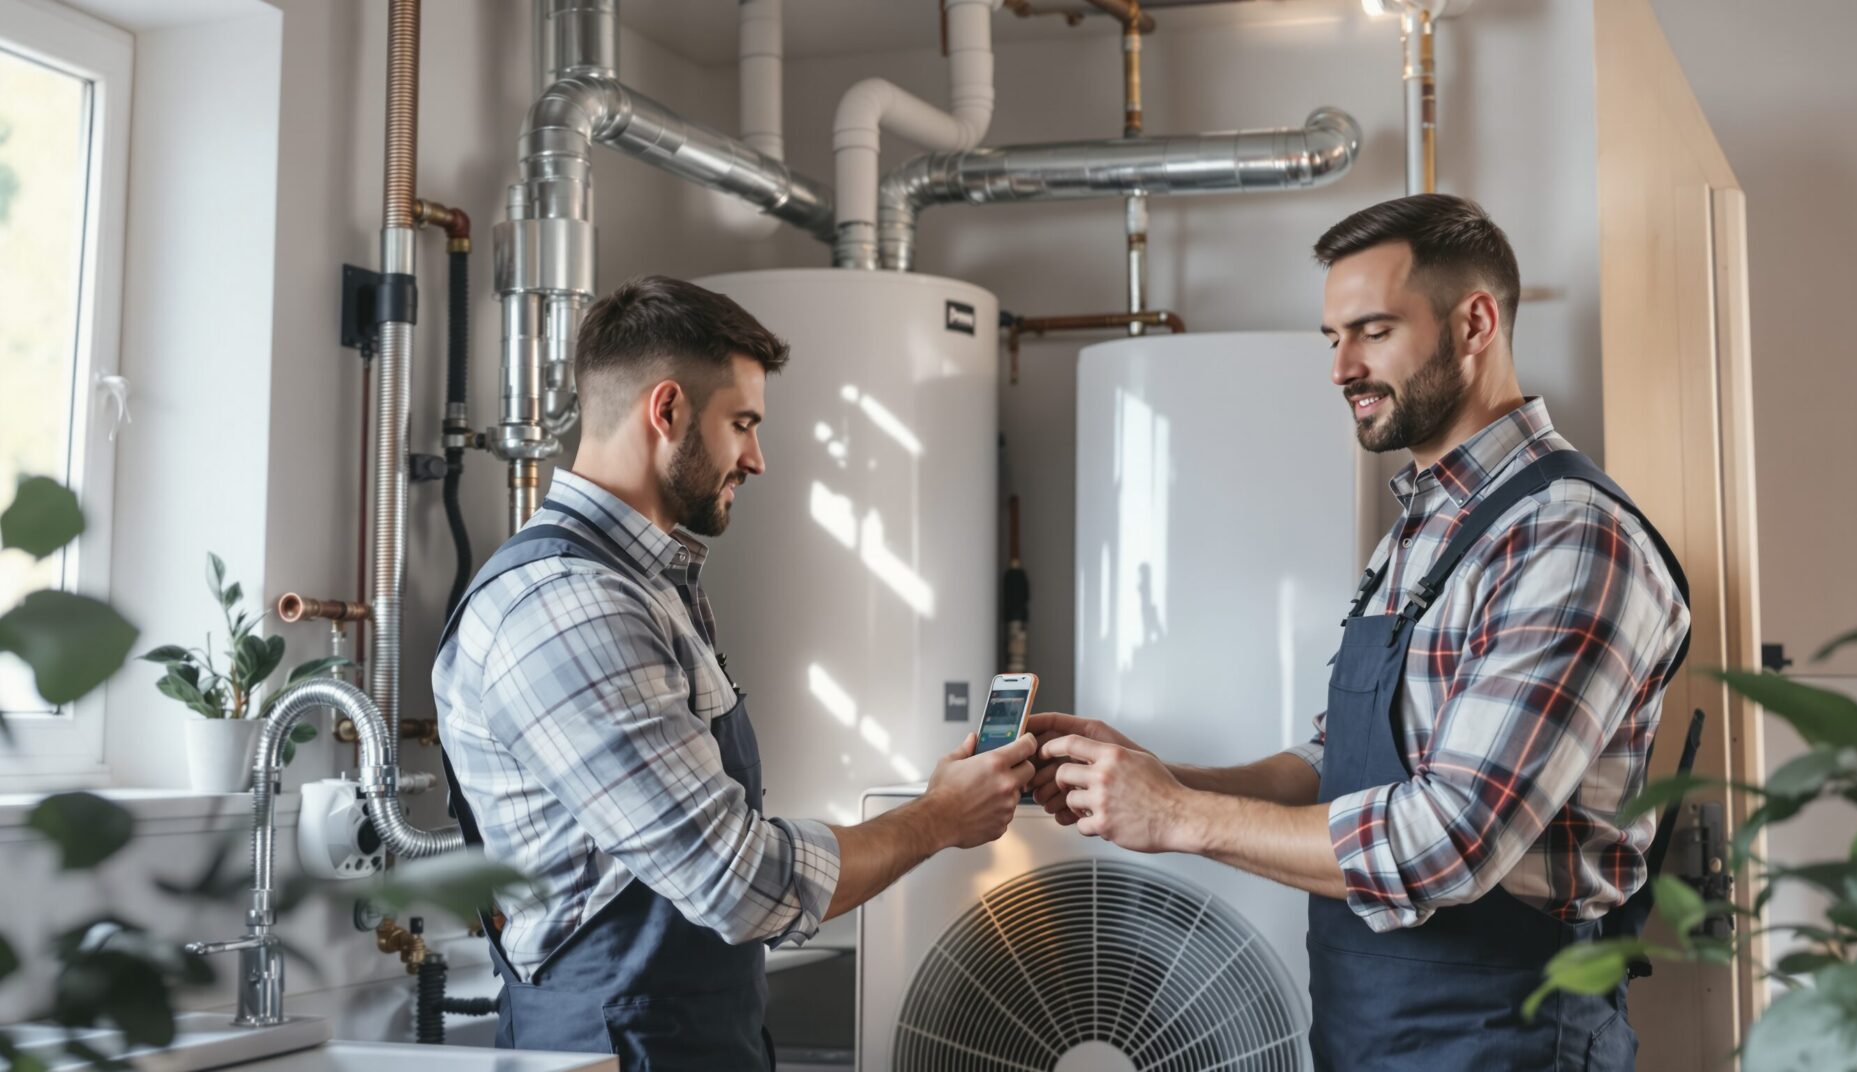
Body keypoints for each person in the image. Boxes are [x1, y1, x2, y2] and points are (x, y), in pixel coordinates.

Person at [1028, 194, 1691, 1070]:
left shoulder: (1569, 539)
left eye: (1372, 331)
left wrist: (1178, 816)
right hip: (1370, 1031)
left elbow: (1449, 841)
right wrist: (1141, 772)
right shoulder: (1423, 528)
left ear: (1475, 323)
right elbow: (1332, 761)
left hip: (1506, 1038)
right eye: (1331, 338)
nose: (1342, 368)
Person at [433, 275, 1037, 1070]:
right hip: (614, 1048)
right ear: (668, 410)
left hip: (680, 1036)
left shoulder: (646, 587)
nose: (757, 458)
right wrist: (936, 819)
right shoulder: (570, 609)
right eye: (742, 424)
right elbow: (737, 881)